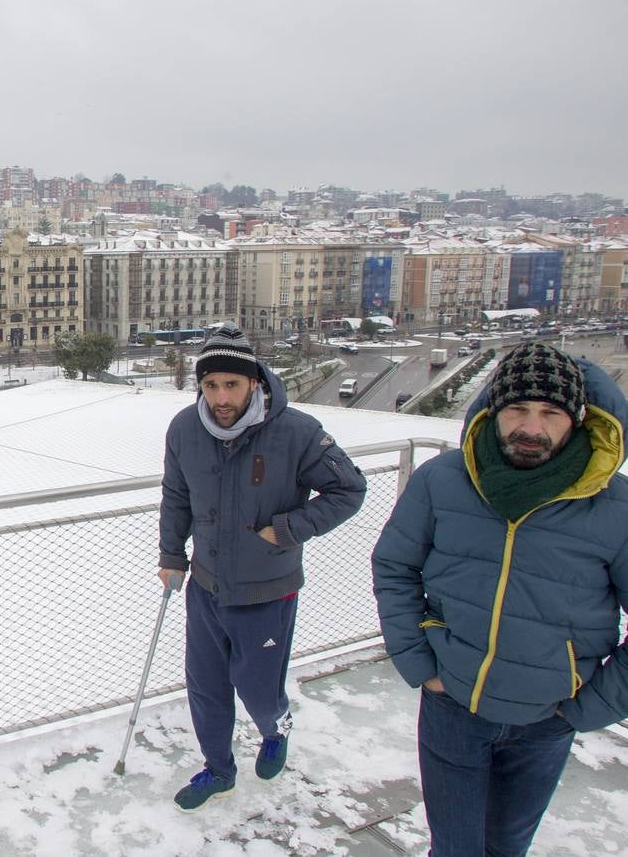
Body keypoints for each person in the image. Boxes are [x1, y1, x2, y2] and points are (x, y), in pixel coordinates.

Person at [372, 342, 628, 856]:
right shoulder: (442, 481)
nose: (531, 427)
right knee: (454, 847)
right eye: (517, 409)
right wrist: (421, 664)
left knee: (507, 848)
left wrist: (590, 705)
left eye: (550, 412)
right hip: (453, 708)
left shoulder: (613, 506)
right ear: (494, 410)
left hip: (547, 721)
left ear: (576, 419)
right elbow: (395, 566)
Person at [159, 323, 366, 810]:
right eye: (210, 385)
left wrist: (291, 527)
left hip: (267, 589)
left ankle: (276, 729)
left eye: (231, 384)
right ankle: (218, 768)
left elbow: (349, 490)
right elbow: (176, 495)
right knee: (206, 686)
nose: (220, 397)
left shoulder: (297, 432)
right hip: (206, 585)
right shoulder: (185, 429)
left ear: (254, 380)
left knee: (258, 687)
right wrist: (172, 555)